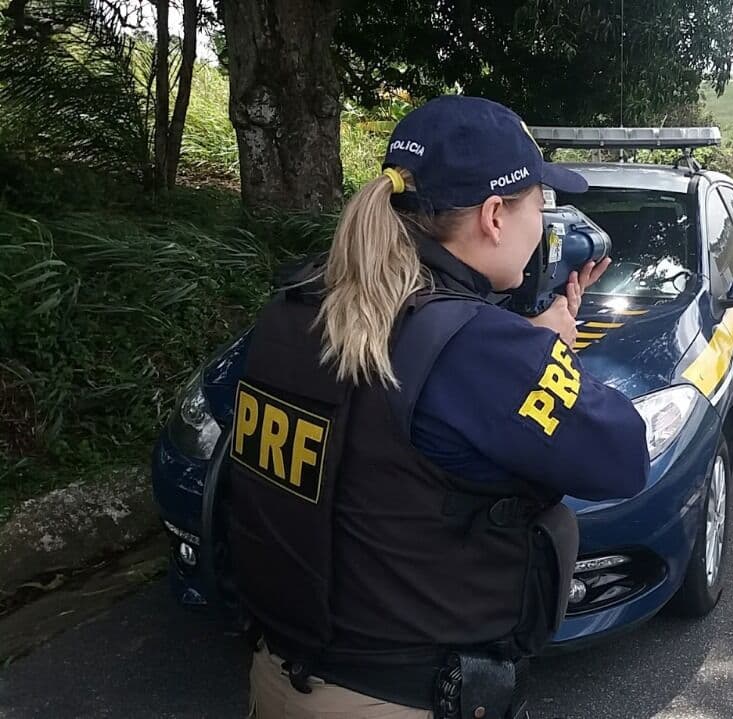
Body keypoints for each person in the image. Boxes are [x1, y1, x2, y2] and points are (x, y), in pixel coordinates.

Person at [227, 95, 651, 719]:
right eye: (541, 202)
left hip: (280, 673)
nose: (545, 224)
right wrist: (552, 357)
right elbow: (622, 456)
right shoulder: (480, 350)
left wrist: (526, 343)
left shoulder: (301, 306)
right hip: (399, 697)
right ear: (494, 217)